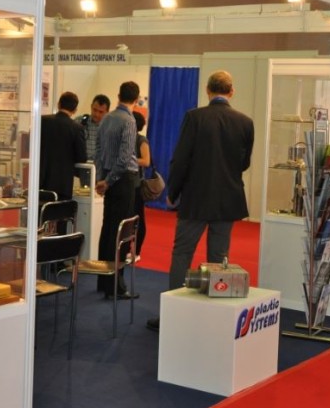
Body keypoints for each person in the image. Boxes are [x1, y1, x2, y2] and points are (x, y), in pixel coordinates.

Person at [147, 70, 254, 331]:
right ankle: (215, 318)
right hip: (227, 199)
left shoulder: (194, 117)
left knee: (182, 253)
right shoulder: (245, 122)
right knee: (219, 257)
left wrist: (173, 192)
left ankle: (174, 314)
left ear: (208, 90)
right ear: (231, 92)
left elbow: (181, 159)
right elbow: (244, 163)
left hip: (195, 198)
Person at [94, 82, 140, 300]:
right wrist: (110, 181)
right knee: (121, 233)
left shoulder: (107, 119)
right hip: (123, 181)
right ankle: (117, 286)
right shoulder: (129, 121)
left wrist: (101, 179)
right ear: (136, 99)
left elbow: (98, 150)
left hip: (108, 178)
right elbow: (124, 158)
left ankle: (103, 281)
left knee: (108, 230)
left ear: (119, 95)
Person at [38, 91, 86, 201]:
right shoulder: (77, 128)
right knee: (59, 211)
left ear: (59, 104)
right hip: (62, 184)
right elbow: (81, 157)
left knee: (41, 210)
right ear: (75, 110)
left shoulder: (42, 121)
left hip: (40, 180)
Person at [76, 94, 110, 186]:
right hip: (84, 168)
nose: (96, 114)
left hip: (102, 170)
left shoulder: (110, 126)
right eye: (94, 110)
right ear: (91, 107)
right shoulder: (80, 122)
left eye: (101, 112)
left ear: (107, 112)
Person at [132, 111, 151, 259]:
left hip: (137, 185)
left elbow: (146, 161)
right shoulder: (124, 138)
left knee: (139, 219)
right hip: (125, 184)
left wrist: (128, 159)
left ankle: (137, 251)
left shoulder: (141, 140)